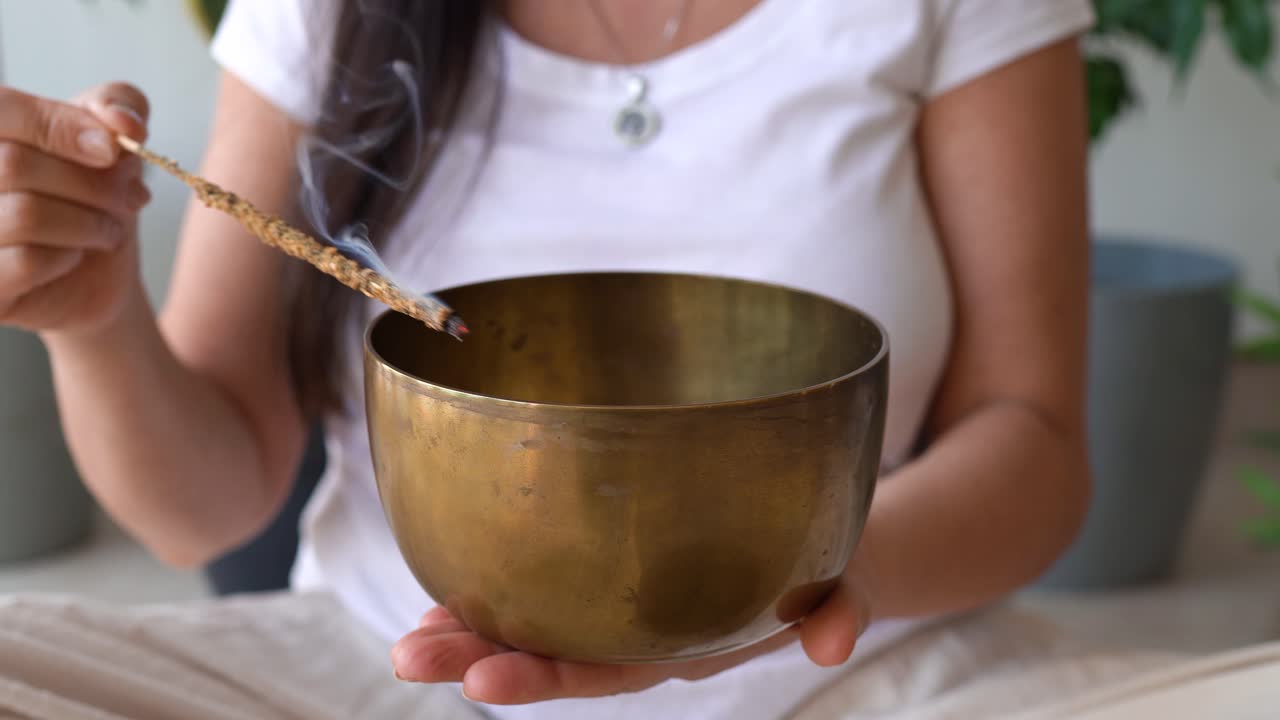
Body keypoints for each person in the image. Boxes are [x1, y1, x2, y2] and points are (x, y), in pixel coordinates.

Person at [0, 1, 1107, 718]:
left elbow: (1033, 439)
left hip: (858, 679)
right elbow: (201, 509)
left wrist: (812, 583)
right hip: (386, 670)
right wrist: (94, 318)